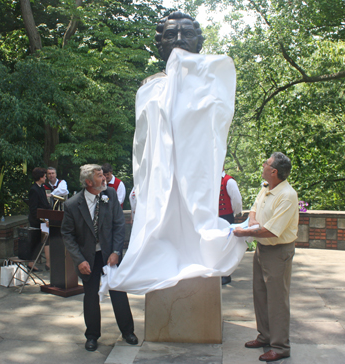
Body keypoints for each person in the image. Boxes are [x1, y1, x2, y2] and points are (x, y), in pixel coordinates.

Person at [98, 11, 246, 297]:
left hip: (195, 178)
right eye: (171, 34)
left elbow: (214, 132)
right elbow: (141, 144)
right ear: (160, 44)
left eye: (187, 34)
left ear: (199, 41)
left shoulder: (211, 85)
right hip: (160, 180)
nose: (179, 40)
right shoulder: (149, 88)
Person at [61, 164, 138, 352]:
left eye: (104, 175)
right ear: (88, 182)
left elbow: (119, 225)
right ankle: (92, 336)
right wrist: (79, 260)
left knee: (118, 293)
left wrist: (116, 252)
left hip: (109, 255)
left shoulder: (110, 196)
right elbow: (67, 234)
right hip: (88, 258)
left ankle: (128, 331)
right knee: (91, 297)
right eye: (99, 176)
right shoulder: (72, 205)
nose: (105, 179)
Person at [233, 152, 298, 362]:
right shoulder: (266, 188)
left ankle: (280, 346)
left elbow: (272, 230)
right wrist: (251, 221)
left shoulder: (287, 195)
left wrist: (245, 232)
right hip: (262, 249)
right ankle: (265, 336)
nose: (263, 165)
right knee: (260, 295)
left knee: (277, 299)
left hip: (278, 252)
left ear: (274, 171)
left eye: (266, 164)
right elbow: (253, 210)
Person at [219, 168, 242, 285]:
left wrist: (231, 213)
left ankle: (226, 274)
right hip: (215, 218)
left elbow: (237, 201)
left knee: (226, 245)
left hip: (226, 217)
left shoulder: (228, 181)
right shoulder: (211, 179)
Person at [28, 167, 52, 270]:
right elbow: (34, 209)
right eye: (44, 176)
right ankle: (31, 262)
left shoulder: (42, 187)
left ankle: (48, 262)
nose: (46, 177)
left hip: (44, 218)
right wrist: (43, 219)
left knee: (47, 239)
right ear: (40, 177)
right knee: (36, 241)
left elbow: (45, 204)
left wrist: (51, 212)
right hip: (36, 220)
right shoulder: (33, 190)